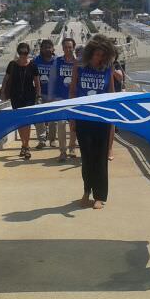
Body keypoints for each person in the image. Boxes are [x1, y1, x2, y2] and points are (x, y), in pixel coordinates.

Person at [69, 34, 116, 210]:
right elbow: (72, 92)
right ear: (90, 54)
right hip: (83, 118)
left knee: (100, 158)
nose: (99, 58)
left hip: (102, 119)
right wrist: (72, 118)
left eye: (103, 55)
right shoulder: (79, 67)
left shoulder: (107, 68)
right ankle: (86, 191)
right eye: (97, 55)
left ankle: (99, 196)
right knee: (87, 158)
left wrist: (113, 118)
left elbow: (111, 93)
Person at [1, 42, 41, 159]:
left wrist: (38, 96)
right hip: (16, 96)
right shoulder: (12, 64)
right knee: (19, 122)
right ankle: (23, 145)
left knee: (27, 122)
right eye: (21, 52)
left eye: (25, 52)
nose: (23, 55)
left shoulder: (33, 65)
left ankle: (26, 146)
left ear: (28, 52)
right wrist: (3, 91)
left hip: (29, 97)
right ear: (18, 52)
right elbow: (6, 79)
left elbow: (37, 83)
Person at [50, 37, 79, 162]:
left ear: (73, 48)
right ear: (62, 48)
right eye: (66, 47)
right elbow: (52, 80)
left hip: (74, 99)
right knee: (61, 125)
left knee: (73, 125)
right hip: (60, 98)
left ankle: (72, 147)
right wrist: (51, 97)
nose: (68, 49)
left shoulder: (78, 63)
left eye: (70, 47)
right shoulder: (57, 61)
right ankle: (62, 151)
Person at [33, 39, 57, 149]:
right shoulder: (36, 61)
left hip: (53, 94)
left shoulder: (57, 61)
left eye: (49, 47)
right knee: (39, 118)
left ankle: (52, 139)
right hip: (39, 94)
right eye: (45, 47)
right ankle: (41, 140)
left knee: (53, 118)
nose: (47, 49)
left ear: (53, 48)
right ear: (41, 49)